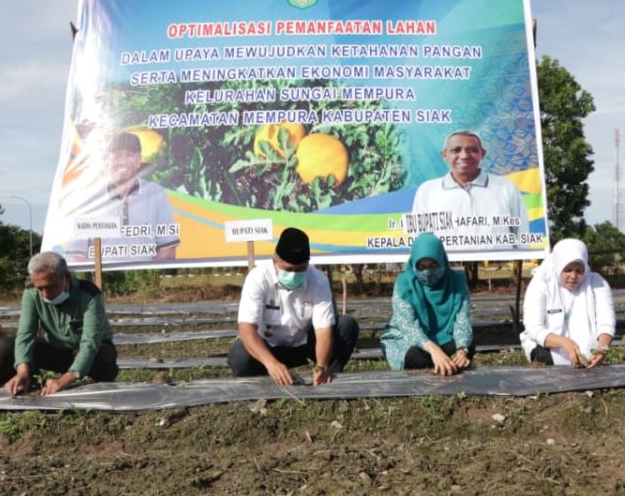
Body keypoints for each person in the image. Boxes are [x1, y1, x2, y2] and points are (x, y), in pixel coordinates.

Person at [228, 227, 358, 384]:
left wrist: (322, 364)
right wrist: (271, 363)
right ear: (274, 261)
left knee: (347, 325)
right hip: (269, 346)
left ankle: (326, 375)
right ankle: (271, 375)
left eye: (300, 269)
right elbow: (246, 329)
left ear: (308, 264)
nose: (294, 275)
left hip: (303, 344)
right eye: (288, 269)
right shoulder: (258, 278)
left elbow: (324, 329)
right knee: (239, 357)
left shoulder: (318, 281)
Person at [0, 252, 119, 396]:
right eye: (40, 288)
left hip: (85, 352)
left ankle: (74, 376)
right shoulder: (31, 293)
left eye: (50, 287)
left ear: (66, 277)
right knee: (5, 347)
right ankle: (32, 382)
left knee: (102, 357)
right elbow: (26, 334)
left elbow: (90, 342)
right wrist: (23, 371)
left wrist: (66, 379)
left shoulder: (89, 294)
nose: (44, 294)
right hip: (57, 350)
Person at [66, 130, 180, 263]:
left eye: (130, 155)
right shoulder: (89, 197)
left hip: (145, 280)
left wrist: (148, 279)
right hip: (99, 280)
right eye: (117, 155)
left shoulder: (156, 193)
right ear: (107, 160)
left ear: (139, 160)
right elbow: (76, 254)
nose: (123, 161)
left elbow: (168, 249)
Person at [409, 130, 532, 251]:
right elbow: (419, 238)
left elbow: (521, 233)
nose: (464, 156)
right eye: (456, 150)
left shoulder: (505, 187)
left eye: (472, 150)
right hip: (446, 269)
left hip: (497, 268)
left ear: (482, 154)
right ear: (444, 155)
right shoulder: (428, 190)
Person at [380, 232, 474, 374]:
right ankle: (442, 361)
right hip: (407, 338)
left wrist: (462, 350)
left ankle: (445, 362)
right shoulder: (404, 284)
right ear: (413, 263)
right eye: (421, 266)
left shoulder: (457, 281)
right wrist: (433, 349)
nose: (427, 271)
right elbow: (408, 326)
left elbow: (462, 321)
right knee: (416, 357)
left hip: (443, 335)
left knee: (468, 345)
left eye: (433, 264)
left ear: (442, 260)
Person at [519, 238, 616, 367]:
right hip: (548, 346)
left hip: (587, 350)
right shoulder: (541, 283)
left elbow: (606, 322)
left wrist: (602, 349)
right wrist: (565, 343)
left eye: (579, 270)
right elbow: (534, 329)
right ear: (558, 266)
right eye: (568, 270)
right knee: (546, 361)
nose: (574, 276)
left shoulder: (597, 283)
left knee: (589, 362)